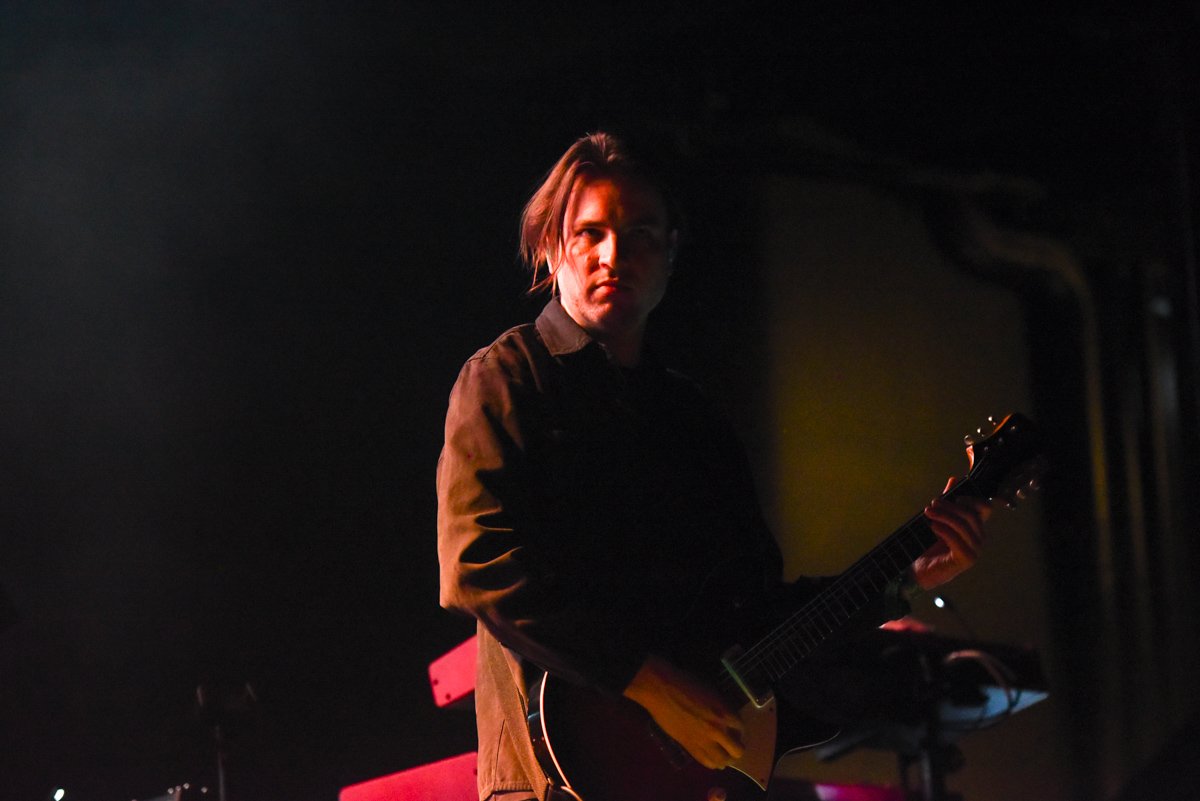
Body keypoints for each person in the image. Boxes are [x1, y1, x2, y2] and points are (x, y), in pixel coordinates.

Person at [436, 132, 990, 801]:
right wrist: (651, 685)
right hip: (553, 780)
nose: (613, 256)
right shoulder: (506, 378)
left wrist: (907, 577)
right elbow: (478, 565)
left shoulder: (695, 421)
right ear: (552, 249)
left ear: (671, 254)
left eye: (640, 235)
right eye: (589, 233)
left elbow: (760, 614)